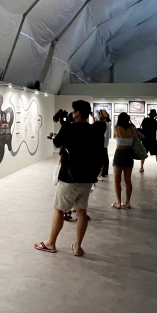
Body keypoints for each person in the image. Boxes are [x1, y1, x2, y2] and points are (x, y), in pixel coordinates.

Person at [35, 100, 103, 257]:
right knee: (82, 211)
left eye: (73, 111)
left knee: (59, 209)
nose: (72, 114)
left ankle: (51, 243)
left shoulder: (68, 128)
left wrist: (62, 128)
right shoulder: (95, 130)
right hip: (88, 177)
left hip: (69, 177)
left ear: (77, 113)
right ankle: (77, 247)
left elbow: (55, 144)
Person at [112, 112, 140, 209]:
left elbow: (114, 136)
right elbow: (141, 136)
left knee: (117, 180)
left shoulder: (116, 128)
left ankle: (118, 203)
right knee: (128, 180)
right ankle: (127, 202)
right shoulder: (132, 129)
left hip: (119, 154)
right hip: (129, 154)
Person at [95, 109, 112, 178]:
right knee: (105, 157)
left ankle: (102, 172)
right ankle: (104, 172)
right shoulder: (108, 124)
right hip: (104, 143)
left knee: (102, 158)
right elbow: (108, 135)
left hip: (102, 143)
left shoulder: (104, 124)